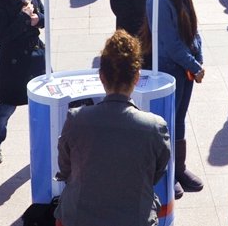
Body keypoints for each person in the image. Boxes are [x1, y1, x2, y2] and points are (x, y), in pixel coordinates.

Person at [55, 30, 172, 226]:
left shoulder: (76, 119)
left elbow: (66, 168)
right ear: (136, 78)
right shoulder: (155, 127)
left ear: (101, 77)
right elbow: (155, 173)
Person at [145, 0, 204, 198]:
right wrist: (194, 64)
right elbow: (170, 43)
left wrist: (197, 58)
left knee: (179, 118)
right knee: (168, 121)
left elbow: (193, 30)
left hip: (185, 69)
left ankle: (179, 168)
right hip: (170, 69)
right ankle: (167, 172)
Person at [0, 0, 46, 164]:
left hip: (36, 54)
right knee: (6, 106)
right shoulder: (0, 3)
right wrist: (24, 18)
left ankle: (48, 142)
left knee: (46, 102)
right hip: (13, 61)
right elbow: (3, 36)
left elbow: (44, 17)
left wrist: (37, 18)